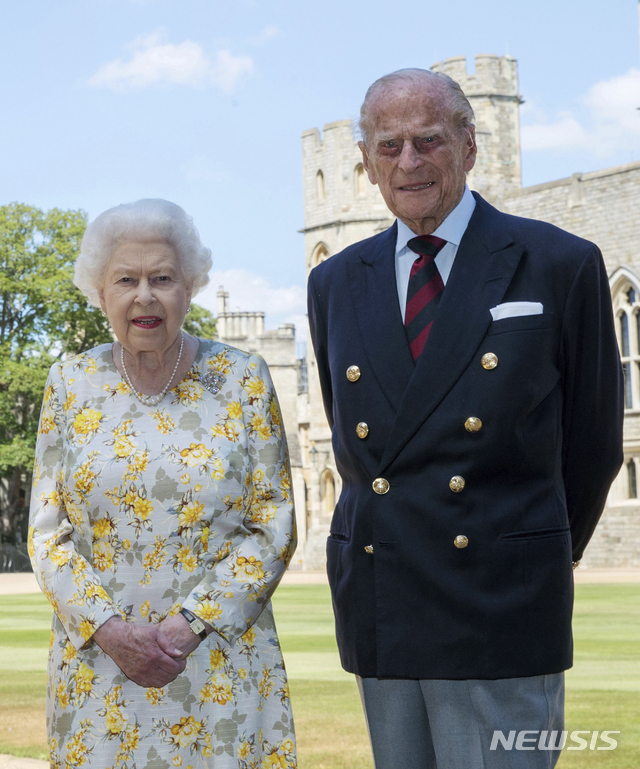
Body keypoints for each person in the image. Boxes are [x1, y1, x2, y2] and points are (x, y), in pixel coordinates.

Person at [307, 69, 624, 769]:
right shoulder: (335, 281)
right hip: (385, 604)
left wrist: (525, 550)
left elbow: (596, 443)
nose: (409, 162)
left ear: (470, 146)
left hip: (501, 604)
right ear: (365, 163)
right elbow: (354, 440)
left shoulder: (558, 263)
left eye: (429, 140)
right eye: (388, 146)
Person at [28, 199, 297, 768]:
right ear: (100, 292)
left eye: (163, 278)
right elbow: (48, 532)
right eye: (126, 279)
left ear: (190, 288)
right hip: (100, 667)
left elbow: (273, 523)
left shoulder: (244, 379)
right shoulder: (69, 383)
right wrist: (110, 632)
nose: (144, 296)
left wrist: (190, 624)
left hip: (218, 663)